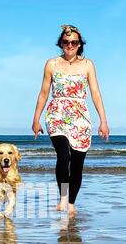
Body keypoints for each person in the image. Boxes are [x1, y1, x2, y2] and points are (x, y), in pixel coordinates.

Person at [32, 24, 110, 216]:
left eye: (74, 42)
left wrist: (103, 121)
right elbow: (43, 93)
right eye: (66, 42)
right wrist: (36, 119)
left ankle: (72, 203)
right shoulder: (51, 64)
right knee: (63, 156)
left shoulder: (88, 65)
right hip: (57, 114)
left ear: (79, 44)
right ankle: (63, 198)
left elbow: (96, 94)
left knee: (77, 163)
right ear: (61, 43)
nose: (70, 45)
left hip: (80, 117)